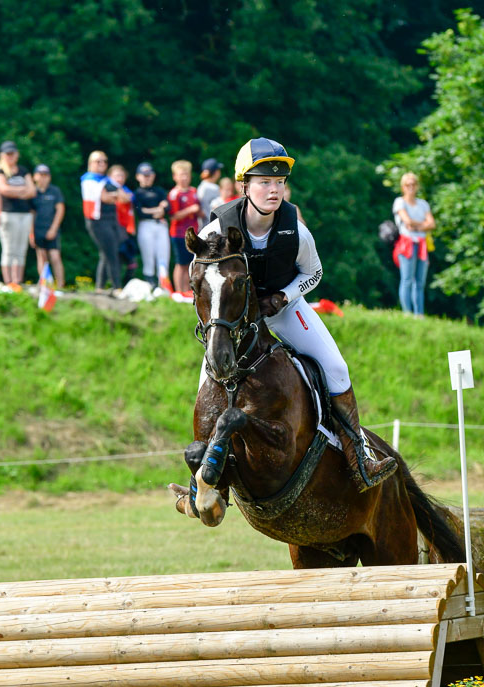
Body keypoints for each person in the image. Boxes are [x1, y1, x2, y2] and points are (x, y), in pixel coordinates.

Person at [198, 137, 397, 492]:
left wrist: (284, 296)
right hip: (236, 321)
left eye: (279, 183)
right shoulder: (215, 229)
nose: (273, 191)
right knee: (207, 383)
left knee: (336, 367)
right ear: (244, 185)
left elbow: (314, 273)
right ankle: (199, 480)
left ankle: (359, 455)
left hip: (284, 310)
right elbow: (200, 275)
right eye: (264, 182)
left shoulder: (295, 229)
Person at [81, 150, 130, 295]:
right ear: (90, 164)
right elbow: (107, 198)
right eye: (98, 161)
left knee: (106, 253)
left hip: (110, 220)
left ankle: (100, 287)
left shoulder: (105, 180)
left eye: (104, 161)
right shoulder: (89, 179)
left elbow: (125, 198)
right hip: (97, 222)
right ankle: (117, 287)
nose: (102, 164)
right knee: (111, 253)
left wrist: (114, 194)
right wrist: (116, 195)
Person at [392, 172, 435, 317]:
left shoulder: (423, 204)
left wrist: (416, 227)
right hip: (407, 244)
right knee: (407, 279)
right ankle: (407, 313)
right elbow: (407, 221)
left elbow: (432, 224)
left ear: (417, 186)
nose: (411, 187)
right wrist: (424, 224)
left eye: (413, 184)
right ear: (403, 187)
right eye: (407, 184)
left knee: (420, 282)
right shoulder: (400, 202)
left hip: (422, 244)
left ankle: (419, 314)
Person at [0, 140, 36, 285]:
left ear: (17, 155)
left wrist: (15, 191)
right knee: (9, 248)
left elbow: (32, 191)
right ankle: (8, 281)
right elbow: (3, 189)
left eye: (12, 154)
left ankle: (18, 281)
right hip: (8, 213)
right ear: (2, 155)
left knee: (21, 248)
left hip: (24, 214)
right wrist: (22, 190)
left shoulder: (23, 170)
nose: (10, 156)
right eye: (7, 154)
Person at [133, 162, 172, 293]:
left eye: (149, 175)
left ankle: (164, 285)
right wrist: (158, 209)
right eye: (144, 175)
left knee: (163, 256)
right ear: (138, 176)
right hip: (146, 225)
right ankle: (150, 285)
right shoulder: (137, 193)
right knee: (148, 257)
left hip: (160, 225)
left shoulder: (159, 191)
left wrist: (157, 209)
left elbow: (167, 207)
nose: (147, 177)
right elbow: (140, 211)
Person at [168, 160, 201, 293]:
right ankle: (179, 291)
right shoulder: (174, 194)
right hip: (179, 233)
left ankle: (188, 291)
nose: (184, 178)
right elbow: (173, 216)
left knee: (190, 263)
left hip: (193, 232)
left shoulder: (193, 191)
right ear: (175, 176)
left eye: (186, 175)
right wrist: (190, 210)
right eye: (181, 175)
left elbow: (198, 209)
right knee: (180, 264)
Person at [30, 164, 66, 288]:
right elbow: (31, 214)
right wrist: (31, 233)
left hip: (51, 228)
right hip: (38, 229)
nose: (43, 178)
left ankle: (61, 285)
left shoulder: (54, 191)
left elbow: (60, 210)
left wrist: (54, 228)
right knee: (41, 257)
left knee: (55, 257)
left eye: (46, 175)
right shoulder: (33, 192)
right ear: (35, 176)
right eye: (40, 175)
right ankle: (45, 285)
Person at [108, 164, 139, 286]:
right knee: (117, 257)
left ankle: (125, 284)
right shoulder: (108, 188)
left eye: (121, 175)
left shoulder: (126, 190)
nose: (119, 178)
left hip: (128, 229)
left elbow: (128, 198)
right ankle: (114, 284)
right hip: (116, 229)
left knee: (132, 261)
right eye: (116, 175)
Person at [197, 158, 223, 226]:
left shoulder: (201, 186)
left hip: (204, 225)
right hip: (212, 224)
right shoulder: (213, 188)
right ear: (216, 172)